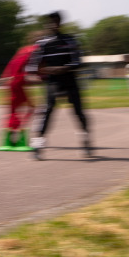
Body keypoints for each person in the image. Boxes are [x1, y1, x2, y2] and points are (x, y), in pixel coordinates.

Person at [26, 11, 91, 159]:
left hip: (70, 80)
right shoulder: (42, 43)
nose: (54, 24)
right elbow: (32, 66)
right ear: (47, 24)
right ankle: (38, 146)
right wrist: (39, 72)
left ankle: (85, 140)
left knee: (78, 112)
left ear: (61, 23)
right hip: (53, 81)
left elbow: (78, 61)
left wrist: (62, 68)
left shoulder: (70, 40)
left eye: (57, 22)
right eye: (51, 22)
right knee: (47, 111)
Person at [0, 31, 41, 149]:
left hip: (10, 82)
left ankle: (9, 134)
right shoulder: (35, 50)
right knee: (30, 108)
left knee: (13, 110)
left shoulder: (23, 50)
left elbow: (12, 64)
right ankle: (19, 131)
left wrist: (4, 77)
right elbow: (33, 67)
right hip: (19, 81)